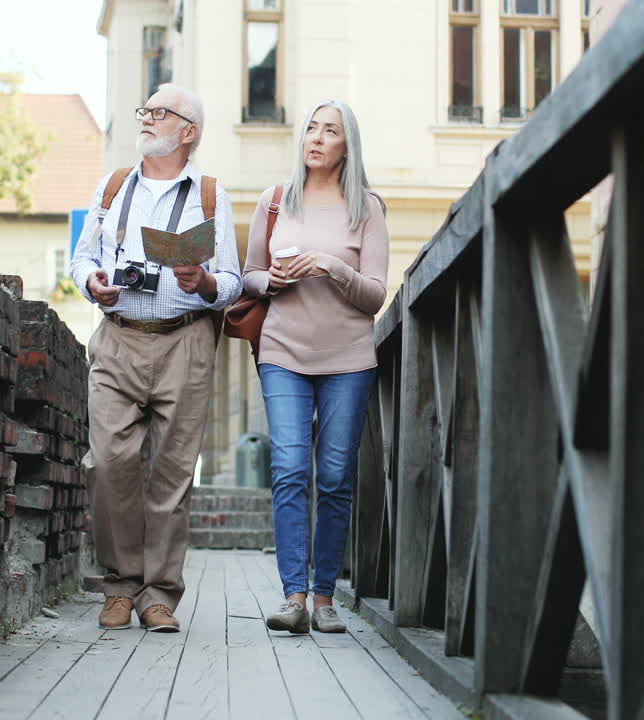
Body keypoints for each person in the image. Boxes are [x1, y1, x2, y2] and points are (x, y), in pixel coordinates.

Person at [70, 83, 242, 632]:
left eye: (159, 112)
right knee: (108, 462)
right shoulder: (114, 186)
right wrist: (91, 282)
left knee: (171, 472)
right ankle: (119, 584)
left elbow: (234, 284)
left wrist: (206, 279)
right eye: (144, 109)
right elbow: (81, 259)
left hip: (185, 338)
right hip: (118, 335)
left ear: (188, 131)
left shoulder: (210, 196)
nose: (145, 118)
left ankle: (158, 595)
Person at [241, 100, 388, 633]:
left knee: (333, 475)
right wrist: (273, 281)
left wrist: (329, 266)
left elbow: (374, 296)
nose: (318, 137)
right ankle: (294, 596)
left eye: (331, 130)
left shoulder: (367, 208)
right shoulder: (275, 200)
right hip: (283, 352)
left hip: (348, 359)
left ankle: (326, 596)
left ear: (348, 145)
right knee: (289, 468)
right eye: (312, 127)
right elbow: (249, 275)